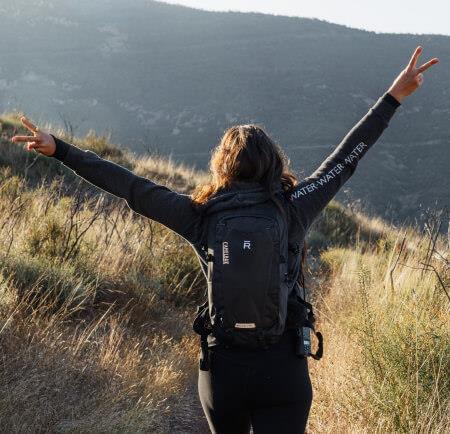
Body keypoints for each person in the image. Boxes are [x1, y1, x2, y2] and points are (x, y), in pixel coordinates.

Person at [11, 46, 438, 434]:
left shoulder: (200, 216)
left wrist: (61, 150)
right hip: (283, 369)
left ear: (221, 166)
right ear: (274, 164)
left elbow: (131, 187)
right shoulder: (294, 208)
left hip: (224, 370)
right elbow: (345, 158)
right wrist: (392, 97)